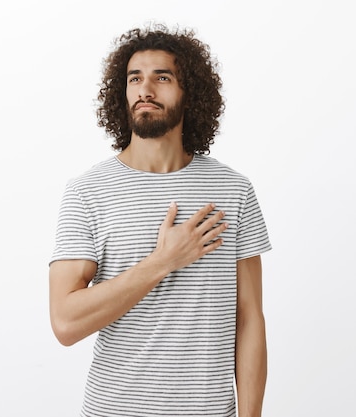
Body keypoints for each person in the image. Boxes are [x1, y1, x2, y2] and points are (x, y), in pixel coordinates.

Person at [49, 24, 271, 417]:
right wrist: (162, 261)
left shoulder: (233, 190)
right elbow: (65, 323)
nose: (145, 90)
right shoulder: (87, 192)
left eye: (162, 78)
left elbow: (249, 317)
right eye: (135, 78)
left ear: (191, 93)